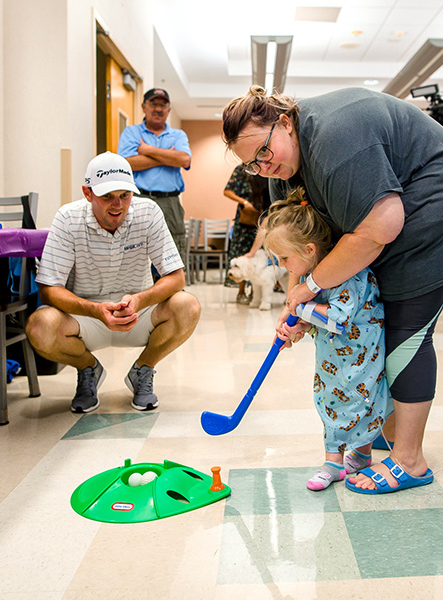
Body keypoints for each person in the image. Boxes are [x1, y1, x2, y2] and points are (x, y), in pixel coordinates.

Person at [222, 86, 443, 495]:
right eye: (251, 165)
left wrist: (311, 287)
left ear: (285, 122)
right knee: (376, 323)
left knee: (405, 323)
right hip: (398, 208)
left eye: (263, 151)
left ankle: (410, 460)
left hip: (439, 197)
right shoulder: (282, 172)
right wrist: (292, 306)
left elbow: (381, 226)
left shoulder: (335, 138)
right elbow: (298, 245)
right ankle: (389, 432)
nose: (263, 166)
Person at [26, 152, 201, 414]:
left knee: (188, 305)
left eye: (125, 195)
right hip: (84, 316)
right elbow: (49, 290)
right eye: (107, 196)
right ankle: (88, 370)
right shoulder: (67, 218)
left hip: (137, 311)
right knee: (39, 327)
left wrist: (141, 299)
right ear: (88, 193)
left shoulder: (148, 212)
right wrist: (94, 310)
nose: (118, 205)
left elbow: (176, 277)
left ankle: (143, 370)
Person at [263, 187, 393, 491]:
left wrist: (301, 307)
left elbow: (336, 318)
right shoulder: (316, 277)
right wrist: (295, 330)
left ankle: (358, 458)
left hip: (361, 360)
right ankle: (334, 462)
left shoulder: (347, 274)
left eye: (284, 257)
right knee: (330, 402)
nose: (283, 266)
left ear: (309, 250)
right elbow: (315, 320)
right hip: (333, 361)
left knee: (360, 404)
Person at [118, 88, 192, 264]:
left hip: (170, 202)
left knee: (174, 249)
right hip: (138, 198)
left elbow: (184, 160)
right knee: (134, 247)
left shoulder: (178, 135)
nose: (158, 109)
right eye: (153, 104)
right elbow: (126, 164)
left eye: (163, 105)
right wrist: (168, 156)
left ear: (169, 109)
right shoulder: (131, 133)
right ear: (144, 107)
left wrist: (147, 150)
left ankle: (172, 290)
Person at [223, 165, 270, 302]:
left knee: (260, 256)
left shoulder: (265, 168)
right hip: (244, 220)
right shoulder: (240, 170)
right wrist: (244, 202)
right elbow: (227, 191)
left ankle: (256, 293)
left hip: (263, 217)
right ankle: (241, 291)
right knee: (241, 255)